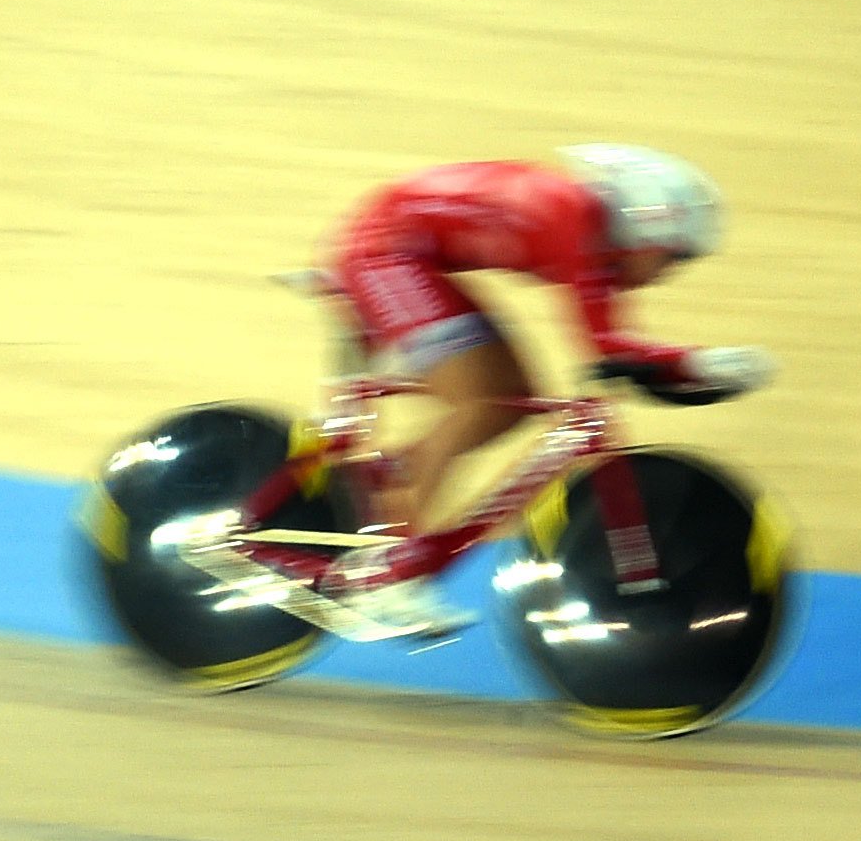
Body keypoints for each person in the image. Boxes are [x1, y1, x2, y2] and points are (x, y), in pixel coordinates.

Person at [319, 145, 775, 632]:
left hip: (413, 254)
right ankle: (388, 576)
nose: (666, 275)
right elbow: (605, 347)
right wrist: (697, 362)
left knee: (505, 405)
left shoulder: (598, 238)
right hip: (384, 254)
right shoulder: (571, 221)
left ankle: (390, 481)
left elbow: (616, 345)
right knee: (475, 401)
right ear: (647, 228)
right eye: (671, 260)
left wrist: (695, 369)